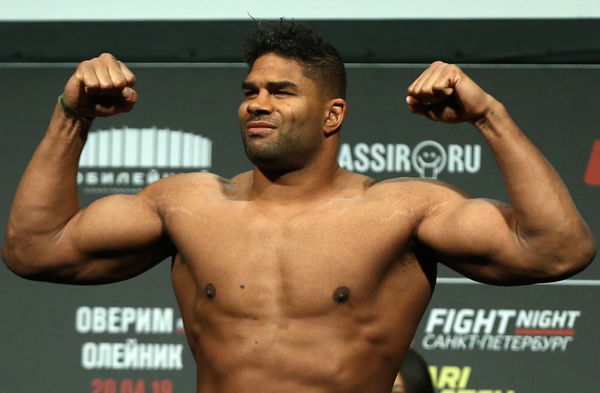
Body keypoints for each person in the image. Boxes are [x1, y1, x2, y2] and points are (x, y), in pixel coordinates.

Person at [2, 20, 595, 393]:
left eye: (281, 92)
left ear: (332, 115)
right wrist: (72, 116)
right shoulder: (188, 205)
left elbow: (557, 249)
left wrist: (489, 117)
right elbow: (34, 249)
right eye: (250, 91)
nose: (257, 104)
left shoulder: (402, 211)